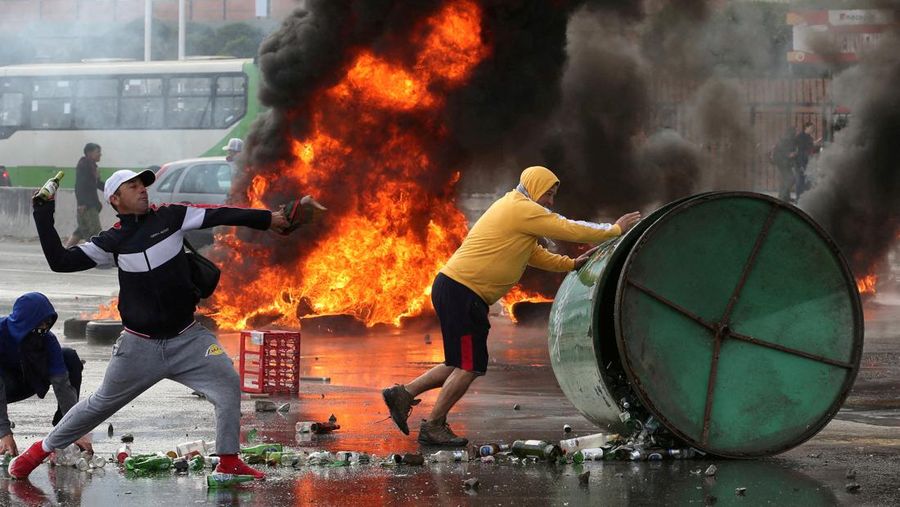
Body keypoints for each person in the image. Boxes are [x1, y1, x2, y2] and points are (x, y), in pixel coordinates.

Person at [9, 168, 310, 481]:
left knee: (227, 384)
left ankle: (228, 461)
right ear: (115, 199)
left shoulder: (171, 217)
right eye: (134, 186)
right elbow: (60, 262)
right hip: (139, 347)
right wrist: (43, 213)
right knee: (97, 406)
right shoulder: (112, 241)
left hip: (188, 339)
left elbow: (220, 213)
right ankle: (37, 452)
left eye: (144, 185)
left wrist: (268, 219)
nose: (142, 190)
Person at [382, 166, 642, 446]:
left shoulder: (515, 210)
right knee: (469, 367)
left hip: (457, 291)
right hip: (463, 293)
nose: (550, 202)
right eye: (549, 194)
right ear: (535, 187)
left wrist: (570, 264)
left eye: (554, 196)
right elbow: (565, 227)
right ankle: (433, 425)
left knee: (459, 363)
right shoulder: (520, 208)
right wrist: (613, 230)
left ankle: (403, 394)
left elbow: (534, 254)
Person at [1, 293, 88, 458]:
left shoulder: (47, 339)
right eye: (40, 322)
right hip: (4, 384)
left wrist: (73, 430)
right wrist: (4, 432)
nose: (45, 327)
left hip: (27, 381)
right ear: (25, 320)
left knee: (69, 357)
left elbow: (61, 383)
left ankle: (61, 426)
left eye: (48, 322)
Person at [65, 143, 105, 249]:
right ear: (89, 153)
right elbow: (80, 185)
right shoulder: (84, 165)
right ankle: (99, 258)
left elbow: (96, 183)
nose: (100, 155)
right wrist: (82, 203)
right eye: (98, 152)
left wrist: (113, 189)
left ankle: (64, 253)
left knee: (81, 231)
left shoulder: (91, 166)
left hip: (90, 204)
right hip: (88, 205)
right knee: (94, 232)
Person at [793, 122, 820, 200]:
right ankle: (799, 199)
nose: (813, 130)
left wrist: (815, 145)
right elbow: (800, 152)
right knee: (800, 181)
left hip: (807, 161)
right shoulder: (800, 137)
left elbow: (809, 149)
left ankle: (805, 198)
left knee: (807, 180)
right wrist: (801, 165)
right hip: (800, 162)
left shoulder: (809, 138)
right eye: (811, 128)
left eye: (813, 128)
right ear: (806, 127)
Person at [771, 127, 797, 202]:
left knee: (785, 179)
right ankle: (782, 197)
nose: (795, 133)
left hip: (783, 162)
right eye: (794, 131)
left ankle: (785, 197)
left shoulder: (786, 139)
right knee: (790, 179)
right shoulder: (786, 140)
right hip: (783, 162)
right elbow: (783, 151)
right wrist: (789, 155)